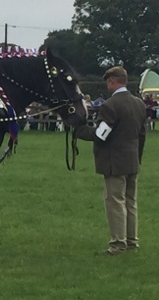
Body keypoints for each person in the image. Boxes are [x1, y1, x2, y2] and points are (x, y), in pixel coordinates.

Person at [74, 66, 146, 255]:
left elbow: (101, 134)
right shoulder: (139, 103)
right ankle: (132, 241)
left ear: (112, 81)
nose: (107, 85)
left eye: (108, 82)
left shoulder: (110, 105)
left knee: (115, 203)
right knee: (131, 202)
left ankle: (117, 244)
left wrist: (79, 130)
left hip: (114, 162)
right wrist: (137, 158)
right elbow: (142, 135)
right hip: (132, 160)